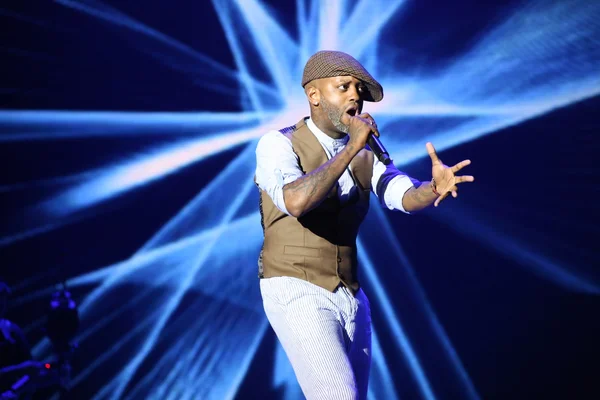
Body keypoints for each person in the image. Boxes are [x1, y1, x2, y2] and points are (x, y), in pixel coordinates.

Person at [254, 50, 474, 399]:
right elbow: (295, 201)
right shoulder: (278, 144)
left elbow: (402, 195)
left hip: (351, 294)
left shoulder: (364, 155)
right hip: (295, 287)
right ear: (313, 95)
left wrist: (432, 188)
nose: (354, 95)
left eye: (358, 88)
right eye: (343, 87)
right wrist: (353, 146)